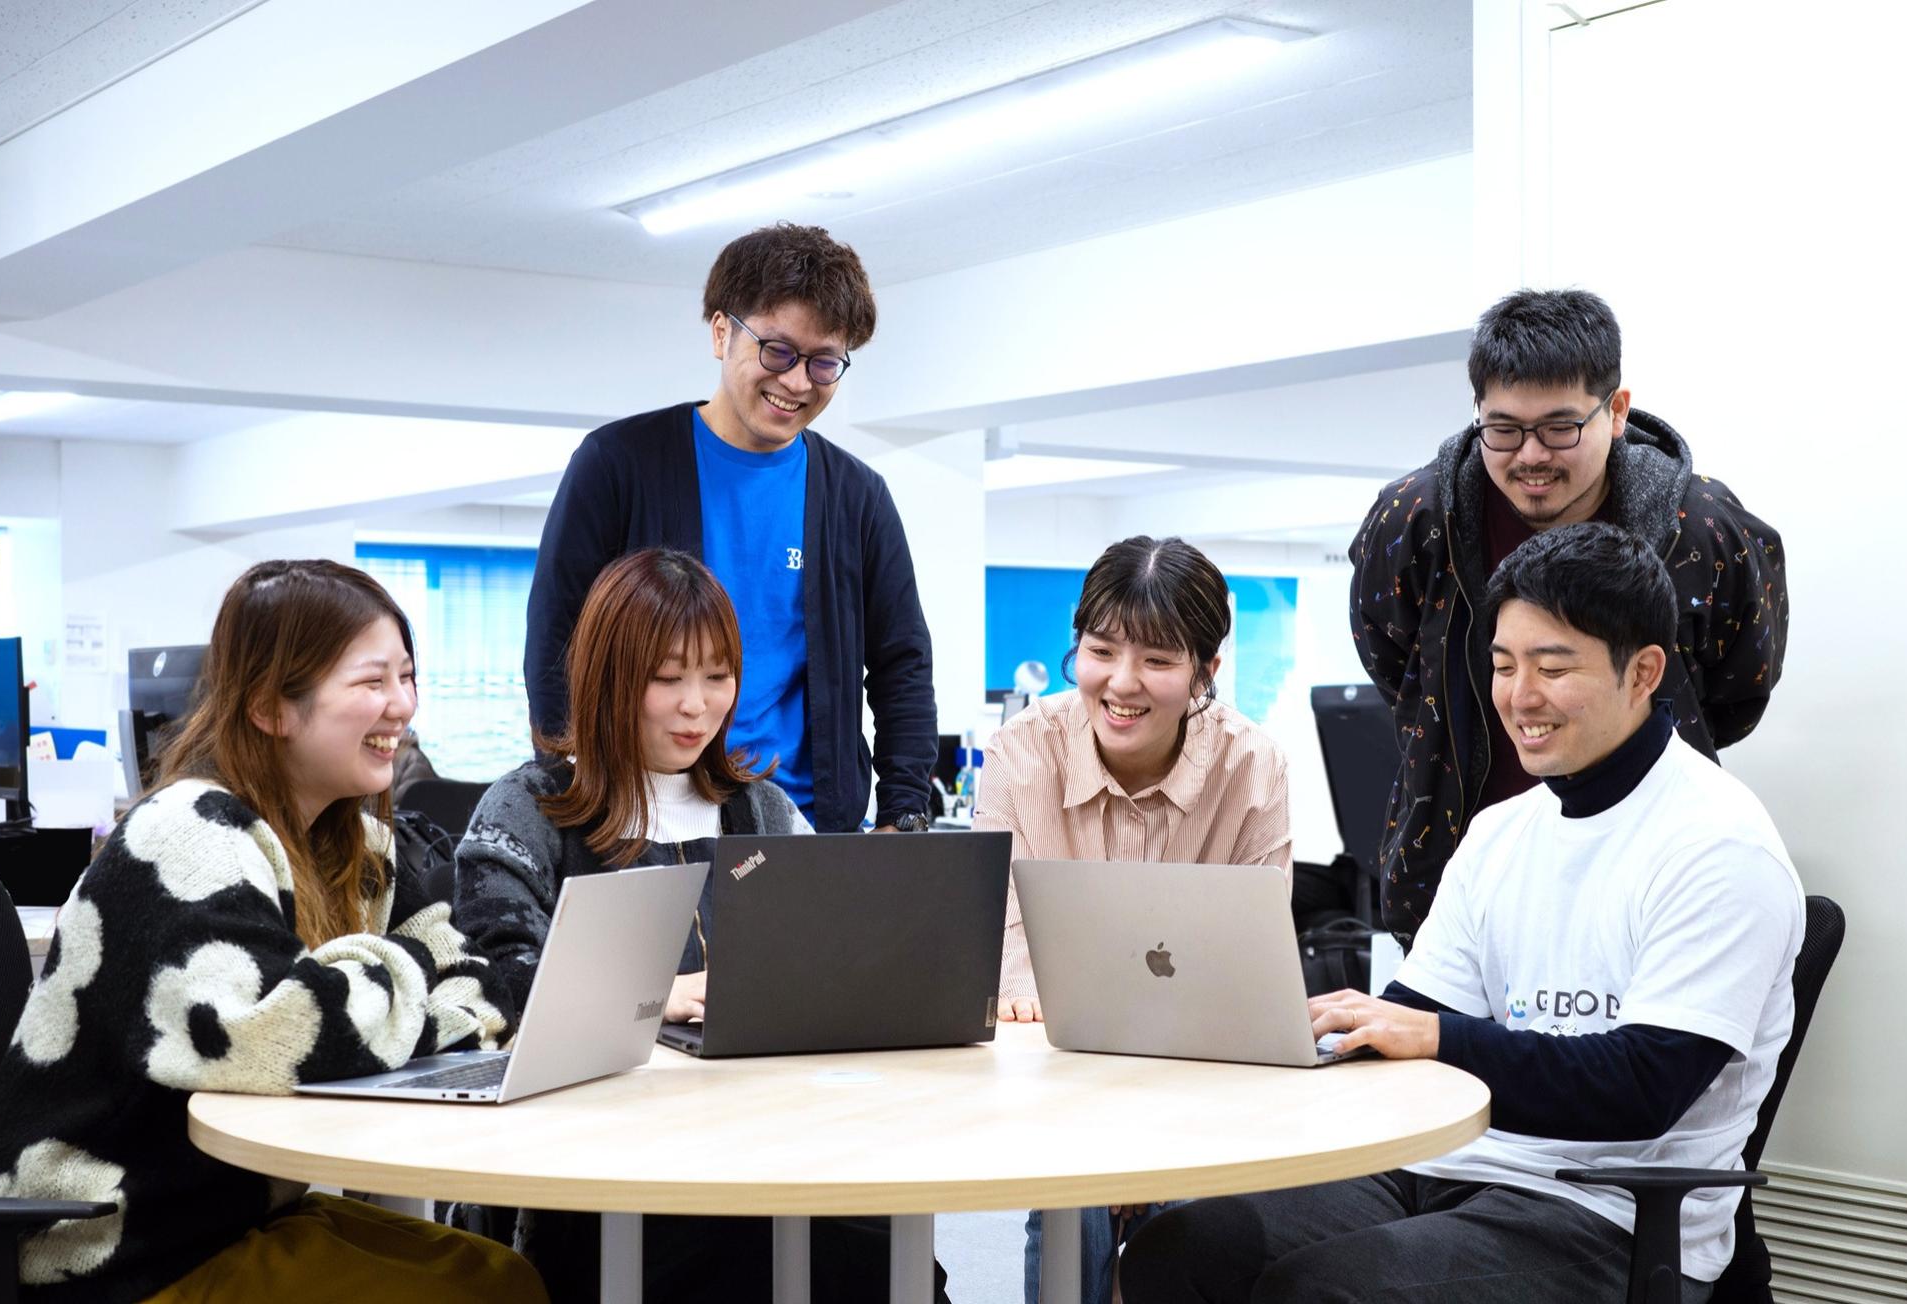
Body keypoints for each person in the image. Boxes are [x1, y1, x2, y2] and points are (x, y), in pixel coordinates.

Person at [1120, 523, 1804, 1304]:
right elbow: (1411, 1015)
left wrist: (1436, 1037)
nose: (1519, 696)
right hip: (1446, 1167)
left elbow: (1645, 1086)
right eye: (1504, 665)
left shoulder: (1719, 845)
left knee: (1322, 1292)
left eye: (1553, 668)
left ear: (1643, 671)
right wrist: (1285, 1040)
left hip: (1604, 1210)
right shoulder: (1502, 831)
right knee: (1178, 1250)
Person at [0, 560, 542, 1304]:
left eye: (407, 677)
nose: (403, 704)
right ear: (272, 706)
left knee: (505, 1275)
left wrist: (373, 997)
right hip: (111, 1252)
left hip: (227, 1216)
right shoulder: (187, 834)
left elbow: (479, 983)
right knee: (487, 1294)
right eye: (372, 681)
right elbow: (284, 1037)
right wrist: (399, 975)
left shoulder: (355, 845)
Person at [456, 547, 946, 1303]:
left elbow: (838, 969)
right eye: (667, 678)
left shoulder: (762, 811)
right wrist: (655, 995)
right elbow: (492, 992)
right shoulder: (530, 810)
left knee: (893, 1257)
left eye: (718, 676)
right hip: (597, 1169)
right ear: (610, 678)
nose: (698, 705)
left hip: (771, 1147)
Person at [1348, 288, 1788, 940]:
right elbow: (1395, 667)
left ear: (1616, 411)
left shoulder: (1701, 530)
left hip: (1644, 881)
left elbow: (1736, 691)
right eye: (1503, 429)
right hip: (1453, 878)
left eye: (1560, 428)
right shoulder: (1415, 520)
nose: (1530, 456)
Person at [523, 222, 936, 834]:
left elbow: (903, 665)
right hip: (644, 820)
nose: (797, 382)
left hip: (810, 828)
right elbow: (557, 638)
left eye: (824, 363)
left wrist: (904, 812)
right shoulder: (618, 464)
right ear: (721, 332)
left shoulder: (858, 498)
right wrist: (576, 787)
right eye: (777, 351)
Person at [973, 535, 1292, 1304]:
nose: (1121, 682)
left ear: (1206, 671)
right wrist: (1101, 1130)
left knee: (1186, 1226)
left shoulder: (1253, 768)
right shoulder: (1021, 753)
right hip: (1055, 1068)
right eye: (1101, 650)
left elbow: (1248, 968)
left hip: (1199, 1075)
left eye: (1156, 659)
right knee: (1072, 1200)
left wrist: (1147, 1137)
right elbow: (1003, 939)